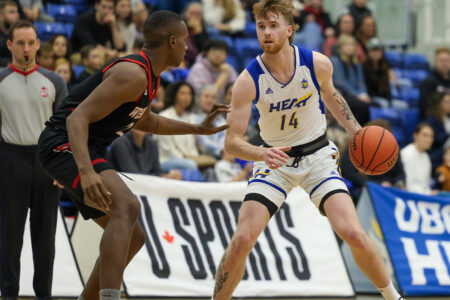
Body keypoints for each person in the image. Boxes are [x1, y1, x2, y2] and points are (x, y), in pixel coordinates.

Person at [211, 1, 405, 300]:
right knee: (242, 239)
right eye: (261, 26)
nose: (266, 32)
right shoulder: (248, 81)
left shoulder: (317, 64)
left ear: (289, 30)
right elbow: (231, 143)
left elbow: (332, 97)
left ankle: (394, 297)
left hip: (317, 158)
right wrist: (261, 154)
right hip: (274, 161)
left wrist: (356, 132)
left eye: (273, 25)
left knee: (353, 232)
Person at [37, 11, 228, 300]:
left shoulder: (149, 77)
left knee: (134, 235)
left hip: (86, 147)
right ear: (173, 40)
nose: (189, 48)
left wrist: (197, 128)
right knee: (126, 207)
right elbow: (76, 119)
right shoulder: (133, 74)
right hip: (63, 142)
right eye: (186, 41)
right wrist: (85, 171)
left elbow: (146, 122)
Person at [0, 20, 68, 300]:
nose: (26, 48)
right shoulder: (1, 80)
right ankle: (8, 294)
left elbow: (65, 126)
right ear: (10, 45)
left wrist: (62, 166)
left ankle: (44, 295)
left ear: (39, 44)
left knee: (45, 237)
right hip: (10, 159)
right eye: (20, 43)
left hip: (45, 161)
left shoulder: (54, 81)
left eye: (31, 42)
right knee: (9, 235)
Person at [108, 129, 183, 180]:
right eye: (138, 121)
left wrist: (171, 175)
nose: (141, 125)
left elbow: (157, 170)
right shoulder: (120, 143)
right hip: (126, 188)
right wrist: (163, 177)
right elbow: (133, 176)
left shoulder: (152, 143)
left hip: (147, 186)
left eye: (145, 122)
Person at [331, 34, 371, 125]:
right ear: (340, 47)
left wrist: (363, 94)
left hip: (357, 95)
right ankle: (357, 133)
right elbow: (340, 82)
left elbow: (361, 82)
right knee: (363, 107)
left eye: (352, 45)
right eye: (346, 45)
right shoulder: (335, 61)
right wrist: (358, 95)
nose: (350, 47)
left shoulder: (356, 63)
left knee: (375, 105)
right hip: (342, 95)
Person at [400, 123, 435, 195]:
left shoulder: (426, 156)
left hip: (425, 196)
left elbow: (426, 184)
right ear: (415, 135)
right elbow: (408, 185)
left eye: (431, 136)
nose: (429, 139)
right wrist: (429, 193)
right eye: (425, 135)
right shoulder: (406, 154)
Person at [194, 84, 226, 159]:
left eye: (213, 97)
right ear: (198, 99)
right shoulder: (193, 119)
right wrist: (221, 150)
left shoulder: (221, 120)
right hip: (208, 158)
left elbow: (226, 138)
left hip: (227, 156)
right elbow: (204, 145)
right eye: (206, 96)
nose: (210, 100)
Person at [419, 46, 450, 120]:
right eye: (442, 61)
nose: (445, 64)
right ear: (435, 62)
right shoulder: (427, 83)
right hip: (435, 121)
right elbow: (425, 109)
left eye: (447, 61)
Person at [425, 91, 450, 170]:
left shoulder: (447, 119)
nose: (449, 104)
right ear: (439, 103)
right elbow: (434, 139)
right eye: (447, 102)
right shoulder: (432, 120)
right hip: (436, 154)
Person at [183, 2, 210, 66]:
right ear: (186, 14)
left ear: (202, 16)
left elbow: (207, 52)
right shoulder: (179, 28)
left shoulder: (204, 30)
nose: (195, 16)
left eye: (198, 14)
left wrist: (199, 32)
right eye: (192, 13)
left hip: (200, 63)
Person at [0, 0, 19, 67]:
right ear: (1, 16)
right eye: (12, 12)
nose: (17, 15)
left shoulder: (19, 34)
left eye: (17, 12)